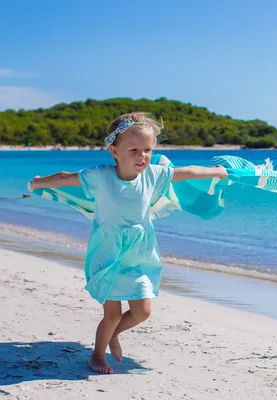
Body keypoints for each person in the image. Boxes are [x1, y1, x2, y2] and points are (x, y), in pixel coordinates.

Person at [28, 112, 228, 374]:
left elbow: (188, 172)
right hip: (108, 250)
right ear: (114, 151)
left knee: (143, 311)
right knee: (111, 314)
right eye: (134, 149)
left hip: (140, 252)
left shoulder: (154, 175)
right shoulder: (100, 176)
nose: (142, 156)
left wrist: (217, 171)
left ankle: (113, 335)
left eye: (147, 150)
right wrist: (39, 183)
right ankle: (97, 355)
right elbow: (66, 177)